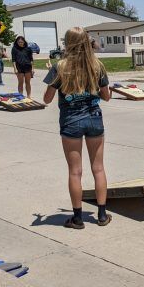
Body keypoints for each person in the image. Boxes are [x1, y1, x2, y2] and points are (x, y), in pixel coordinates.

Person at [42, 27, 112, 229]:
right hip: (94, 118)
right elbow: (106, 96)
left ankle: (78, 218)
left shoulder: (59, 67)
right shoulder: (97, 65)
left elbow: (47, 99)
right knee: (98, 168)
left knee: (75, 171)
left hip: (71, 121)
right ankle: (101, 215)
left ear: (68, 42)